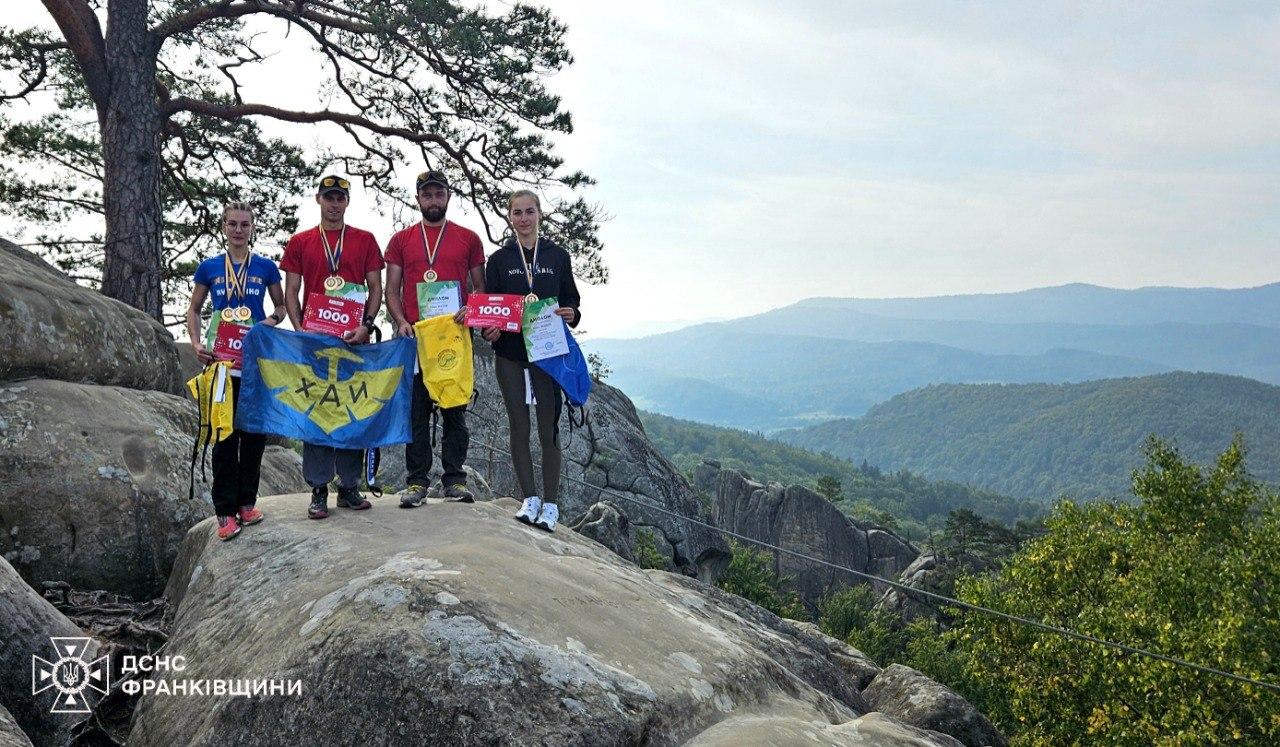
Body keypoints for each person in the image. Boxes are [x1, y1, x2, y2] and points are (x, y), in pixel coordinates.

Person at [280, 175, 385, 519]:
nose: (334, 204)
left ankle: (349, 486)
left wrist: (365, 325)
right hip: (316, 344)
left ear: (347, 202)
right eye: (329, 198)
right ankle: (319, 487)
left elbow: (375, 289)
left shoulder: (365, 240)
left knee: (352, 408)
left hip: (354, 341)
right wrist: (299, 331)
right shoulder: (300, 241)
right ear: (318, 200)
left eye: (340, 198)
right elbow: (291, 291)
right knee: (320, 412)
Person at [185, 201, 286, 541]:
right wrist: (197, 343)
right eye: (233, 224)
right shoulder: (209, 268)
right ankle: (224, 512)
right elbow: (195, 309)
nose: (239, 230)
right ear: (224, 227)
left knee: (254, 436)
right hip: (221, 366)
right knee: (224, 439)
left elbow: (282, 307)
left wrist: (266, 324)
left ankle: (247, 503)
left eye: (245, 224)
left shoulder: (266, 267)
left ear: (253, 227)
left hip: (253, 364)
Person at [384, 170, 486, 507]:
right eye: (427, 195)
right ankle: (416, 483)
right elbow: (391, 289)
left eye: (438, 194)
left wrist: (470, 309)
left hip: (453, 338)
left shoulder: (468, 238)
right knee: (417, 411)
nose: (433, 200)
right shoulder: (401, 240)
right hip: (416, 337)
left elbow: (480, 288)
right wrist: (400, 321)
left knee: (455, 411)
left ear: (448, 197)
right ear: (418, 199)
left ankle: (454, 480)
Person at [481, 190, 580, 532]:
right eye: (517, 213)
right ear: (509, 217)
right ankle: (530, 499)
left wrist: (572, 313)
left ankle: (551, 504)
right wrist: (488, 331)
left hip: (547, 354)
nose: (523, 218)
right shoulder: (499, 260)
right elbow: (490, 307)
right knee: (518, 426)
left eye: (529, 212)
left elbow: (571, 299)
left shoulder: (558, 255)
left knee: (547, 428)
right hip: (509, 353)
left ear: (539, 214)